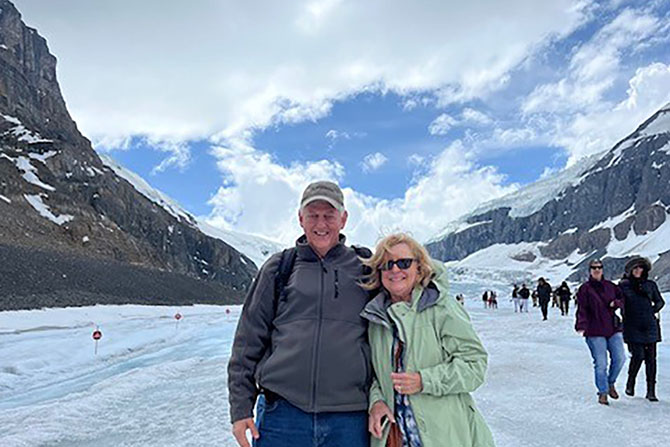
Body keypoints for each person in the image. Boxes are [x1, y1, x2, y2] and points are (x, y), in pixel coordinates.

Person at [227, 181, 372, 447]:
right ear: (300, 219)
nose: (321, 223)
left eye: (329, 215)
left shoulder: (365, 268)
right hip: (283, 415)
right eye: (313, 215)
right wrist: (240, 409)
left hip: (350, 418)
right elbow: (248, 340)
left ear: (343, 219)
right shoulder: (279, 267)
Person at [361, 233, 494, 447]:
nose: (395, 269)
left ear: (419, 267)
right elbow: (376, 374)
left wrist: (425, 381)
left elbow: (475, 365)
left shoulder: (442, 307)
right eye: (387, 265)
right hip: (396, 437)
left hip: (445, 434)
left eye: (404, 263)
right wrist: (376, 401)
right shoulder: (376, 318)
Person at [575, 259, 626, 405]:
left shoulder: (611, 286)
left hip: (612, 328)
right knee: (601, 363)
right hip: (594, 330)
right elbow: (582, 309)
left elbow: (622, 299)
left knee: (620, 358)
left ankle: (610, 383)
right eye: (593, 268)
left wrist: (616, 303)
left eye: (599, 267)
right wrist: (581, 324)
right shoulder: (585, 289)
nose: (596, 270)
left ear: (602, 269)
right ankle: (603, 392)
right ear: (590, 270)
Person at [619, 257, 665, 401]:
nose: (638, 270)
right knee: (638, 356)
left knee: (651, 359)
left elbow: (660, 301)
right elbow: (617, 302)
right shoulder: (623, 286)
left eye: (641, 268)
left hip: (649, 325)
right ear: (630, 270)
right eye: (636, 268)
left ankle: (651, 391)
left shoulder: (650, 285)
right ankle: (631, 382)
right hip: (631, 325)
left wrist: (651, 310)